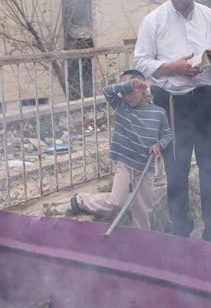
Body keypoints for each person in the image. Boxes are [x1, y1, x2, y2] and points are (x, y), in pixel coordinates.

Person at [133, 0, 211, 246]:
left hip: (209, 98)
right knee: (176, 168)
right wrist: (172, 67)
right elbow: (141, 63)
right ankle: (181, 231)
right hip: (171, 103)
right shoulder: (153, 20)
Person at [69, 70, 171, 229]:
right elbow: (107, 91)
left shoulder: (158, 112)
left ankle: (139, 244)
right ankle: (82, 200)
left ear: (143, 89)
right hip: (125, 163)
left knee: (143, 210)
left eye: (131, 91)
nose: (127, 96)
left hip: (145, 167)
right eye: (124, 93)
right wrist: (128, 85)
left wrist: (158, 146)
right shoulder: (121, 106)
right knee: (117, 202)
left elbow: (167, 135)